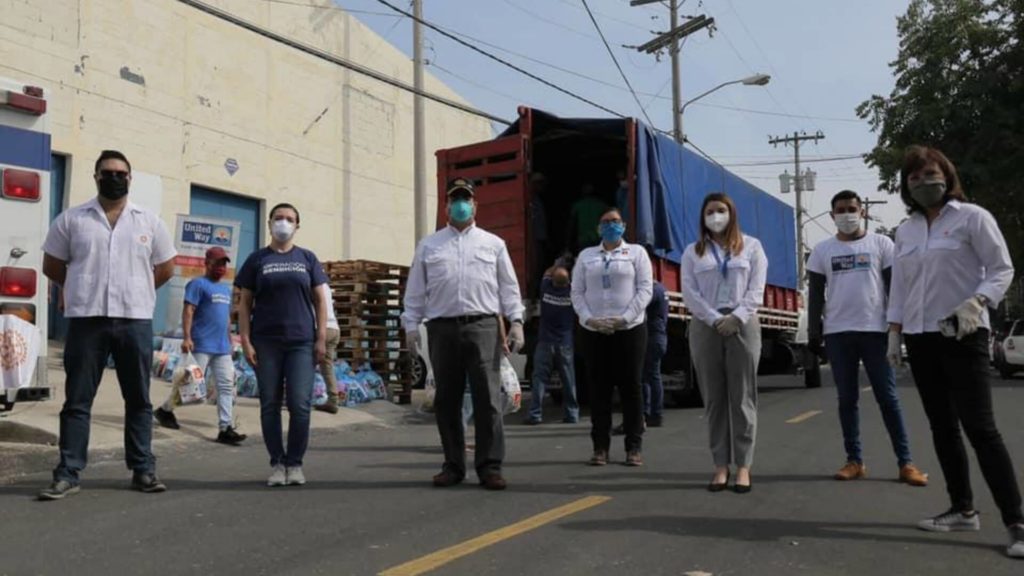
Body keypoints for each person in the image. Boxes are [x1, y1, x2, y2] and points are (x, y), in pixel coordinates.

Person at [887, 146, 1023, 557]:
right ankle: (962, 509)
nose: (922, 182)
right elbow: (899, 288)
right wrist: (894, 333)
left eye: (929, 174)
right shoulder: (905, 231)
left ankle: (1016, 521)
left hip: (964, 335)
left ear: (946, 176)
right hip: (922, 337)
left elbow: (1002, 268)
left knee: (980, 428)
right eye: (913, 178)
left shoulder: (973, 217)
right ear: (905, 186)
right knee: (942, 428)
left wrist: (977, 302)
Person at [38, 150, 176, 500]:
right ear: (96, 176)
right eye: (107, 173)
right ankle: (68, 472)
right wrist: (78, 287)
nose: (114, 178)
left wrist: (136, 289)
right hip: (87, 321)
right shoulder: (72, 220)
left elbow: (165, 268)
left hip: (134, 321)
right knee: (78, 400)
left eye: (121, 173)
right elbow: (53, 265)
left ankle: (143, 469)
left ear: (130, 178)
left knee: (139, 399)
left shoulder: (149, 221)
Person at [402, 177, 525, 491]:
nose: (460, 204)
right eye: (455, 199)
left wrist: (516, 321)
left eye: (465, 198)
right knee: (447, 401)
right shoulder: (429, 245)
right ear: (446, 206)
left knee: (488, 399)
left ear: (474, 205)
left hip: (483, 326)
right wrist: (411, 325)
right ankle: (453, 466)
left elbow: (508, 286)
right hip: (442, 328)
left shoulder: (492, 243)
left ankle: (490, 467)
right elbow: (415, 290)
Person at [806, 191, 927, 487]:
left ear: (862, 212)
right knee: (847, 399)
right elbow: (815, 296)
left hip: (876, 331)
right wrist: (813, 333)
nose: (846, 214)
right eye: (840, 210)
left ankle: (906, 463)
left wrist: (897, 330)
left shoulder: (882, 244)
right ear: (832, 215)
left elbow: (894, 289)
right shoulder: (822, 250)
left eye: (852, 208)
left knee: (888, 398)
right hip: (837, 333)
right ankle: (854, 461)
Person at [235, 203, 328, 487]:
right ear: (270, 223)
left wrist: (321, 337)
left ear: (297, 225)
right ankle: (277, 463)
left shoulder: (307, 259)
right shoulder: (256, 260)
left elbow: (319, 300)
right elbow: (244, 304)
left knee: (300, 405)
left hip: (301, 342)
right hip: (266, 343)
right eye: (279, 218)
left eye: (289, 219)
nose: (283, 223)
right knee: (270, 405)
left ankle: (295, 463)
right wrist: (246, 340)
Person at [681, 193, 766, 494]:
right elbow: (689, 293)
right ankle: (720, 465)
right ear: (702, 217)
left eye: (721, 210)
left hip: (743, 324)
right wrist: (715, 318)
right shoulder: (693, 252)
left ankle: (743, 466)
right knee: (714, 399)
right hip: (706, 325)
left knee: (742, 398)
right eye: (710, 211)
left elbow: (757, 290)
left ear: (731, 213)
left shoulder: (752, 247)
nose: (716, 216)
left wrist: (737, 317)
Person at [571, 207, 653, 467]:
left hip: (629, 330)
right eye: (605, 222)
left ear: (624, 226)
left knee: (631, 389)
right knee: (599, 391)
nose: (610, 225)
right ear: (598, 228)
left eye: (615, 221)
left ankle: (633, 447)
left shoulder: (637, 253)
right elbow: (577, 292)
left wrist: (625, 318)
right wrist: (588, 318)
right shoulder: (586, 256)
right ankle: (600, 448)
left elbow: (645, 289)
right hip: (595, 331)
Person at [154, 247, 247, 446]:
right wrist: (187, 337)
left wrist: (230, 339)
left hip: (222, 347)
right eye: (218, 263)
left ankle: (225, 428)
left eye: (224, 263)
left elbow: (225, 318)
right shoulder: (197, 284)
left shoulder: (225, 289)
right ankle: (165, 410)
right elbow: (189, 311)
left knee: (226, 385)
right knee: (189, 384)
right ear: (207, 263)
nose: (222, 267)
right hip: (202, 344)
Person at [524, 259, 580, 425]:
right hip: (565, 343)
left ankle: (535, 414)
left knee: (539, 378)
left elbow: (547, 273)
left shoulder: (546, 289)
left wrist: (557, 263)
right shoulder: (572, 293)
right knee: (569, 379)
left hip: (545, 342)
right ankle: (572, 414)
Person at [642, 279, 668, 427]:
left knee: (646, 377)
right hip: (659, 336)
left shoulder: (652, 291)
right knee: (653, 375)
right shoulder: (662, 289)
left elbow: (640, 304)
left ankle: (649, 412)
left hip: (652, 336)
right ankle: (655, 414)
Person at [314, 282, 342, 414]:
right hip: (334, 328)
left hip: (320, 328)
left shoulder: (311, 283)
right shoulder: (326, 285)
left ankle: (297, 398)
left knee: (304, 364)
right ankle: (333, 399)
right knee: (327, 366)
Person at [567, 183, 608, 255]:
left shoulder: (578, 205)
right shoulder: (601, 205)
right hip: (597, 238)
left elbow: (572, 225)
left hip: (584, 239)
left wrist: (568, 243)